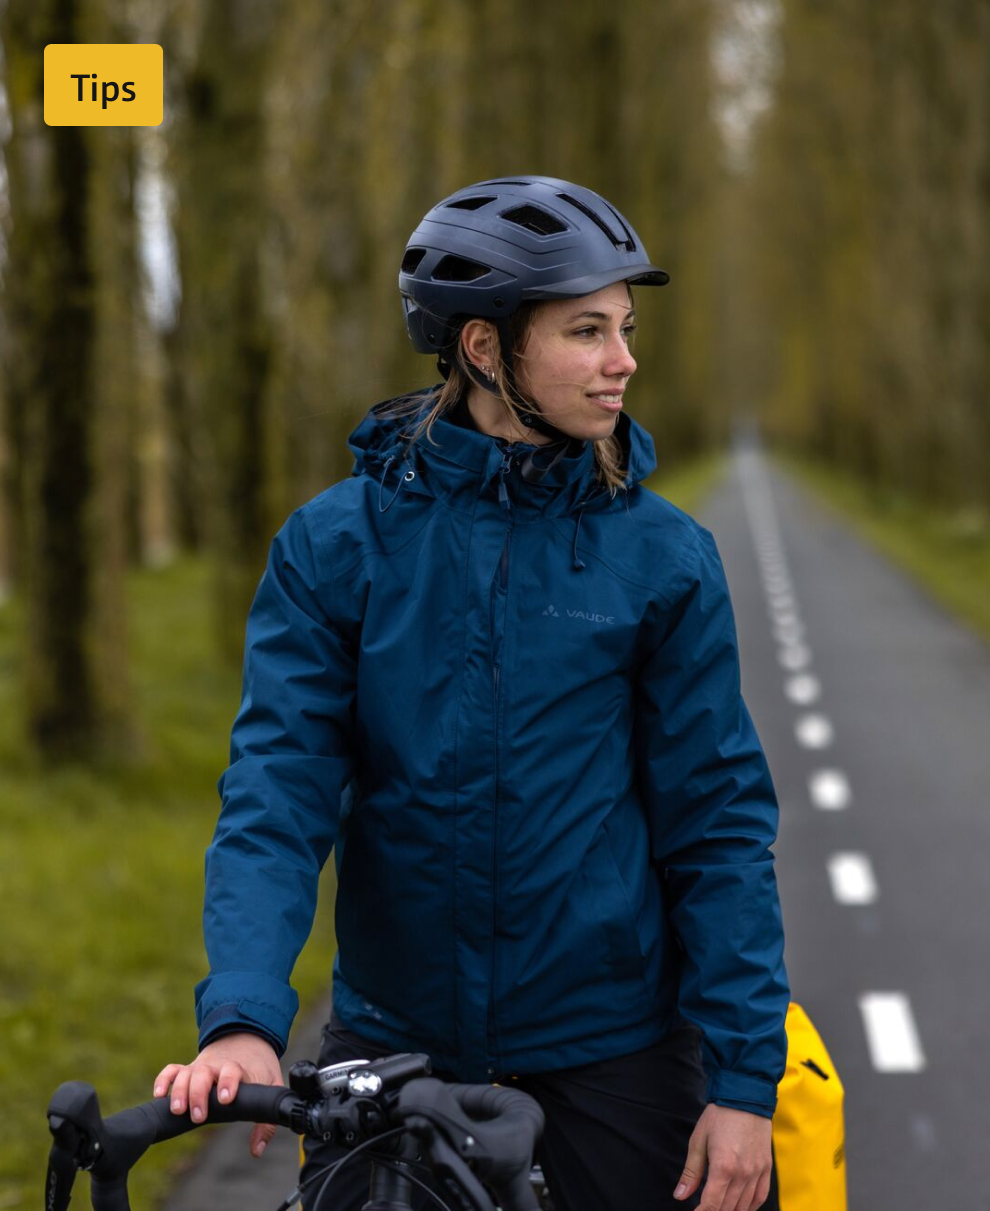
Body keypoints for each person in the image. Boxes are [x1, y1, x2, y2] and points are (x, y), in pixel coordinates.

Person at [155, 176, 789, 1211]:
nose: (623, 360)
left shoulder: (664, 558)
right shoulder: (335, 546)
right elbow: (277, 793)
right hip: (393, 1051)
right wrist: (242, 1017)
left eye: (625, 328)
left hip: (614, 1053)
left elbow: (715, 824)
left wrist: (743, 1080)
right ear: (486, 349)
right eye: (586, 330)